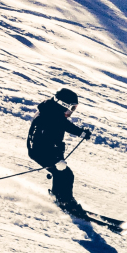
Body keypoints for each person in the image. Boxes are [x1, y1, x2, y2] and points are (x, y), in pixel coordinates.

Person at [27, 88, 92, 216]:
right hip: (40, 151)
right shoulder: (47, 117)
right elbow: (39, 141)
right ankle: (65, 202)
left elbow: (65, 125)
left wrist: (81, 132)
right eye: (72, 108)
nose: (72, 112)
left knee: (60, 173)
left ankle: (58, 198)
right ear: (63, 105)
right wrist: (56, 159)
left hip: (48, 150)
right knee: (66, 174)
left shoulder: (53, 112)